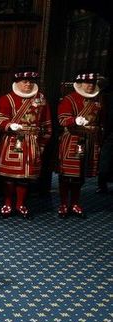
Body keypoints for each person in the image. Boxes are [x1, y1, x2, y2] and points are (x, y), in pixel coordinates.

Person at [0, 66, 52, 219]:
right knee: (10, 176)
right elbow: (0, 119)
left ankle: (21, 204)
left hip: (32, 142)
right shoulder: (6, 99)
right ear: (17, 82)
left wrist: (41, 144)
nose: (28, 84)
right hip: (13, 141)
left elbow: (47, 124)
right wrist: (8, 125)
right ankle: (7, 203)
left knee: (26, 177)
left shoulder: (40, 99)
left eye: (31, 81)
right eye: (24, 81)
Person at [55, 70, 105, 218]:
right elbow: (62, 119)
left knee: (81, 175)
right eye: (87, 83)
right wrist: (74, 120)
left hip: (90, 141)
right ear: (80, 83)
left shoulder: (99, 100)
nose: (90, 86)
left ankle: (75, 203)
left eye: (93, 83)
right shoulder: (69, 99)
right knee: (66, 174)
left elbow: (102, 122)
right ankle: (64, 203)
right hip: (72, 139)